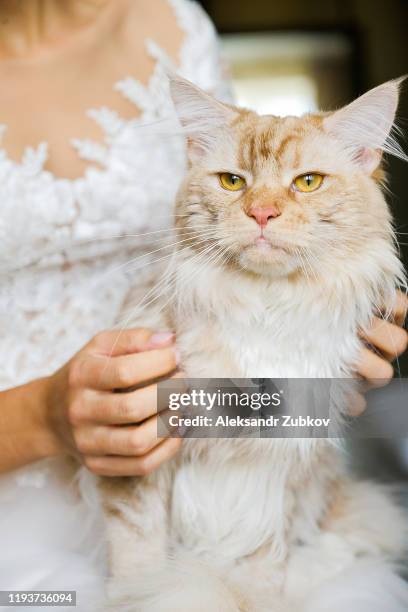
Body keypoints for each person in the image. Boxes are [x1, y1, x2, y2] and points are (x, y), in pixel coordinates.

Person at [0, 0, 407, 601]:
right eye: (236, 186)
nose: (262, 207)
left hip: (235, 499)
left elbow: (253, 148)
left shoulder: (175, 21)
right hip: (27, 486)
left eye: (304, 184)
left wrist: (318, 362)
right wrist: (46, 416)